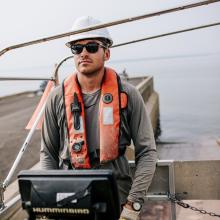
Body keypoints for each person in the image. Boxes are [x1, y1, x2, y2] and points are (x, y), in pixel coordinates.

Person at [40, 16, 157, 220]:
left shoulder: (128, 96)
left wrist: (133, 204)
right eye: (77, 48)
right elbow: (48, 153)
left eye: (92, 47)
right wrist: (51, 199)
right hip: (69, 203)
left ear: (107, 53)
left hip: (117, 202)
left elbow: (147, 152)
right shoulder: (56, 98)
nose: (84, 53)